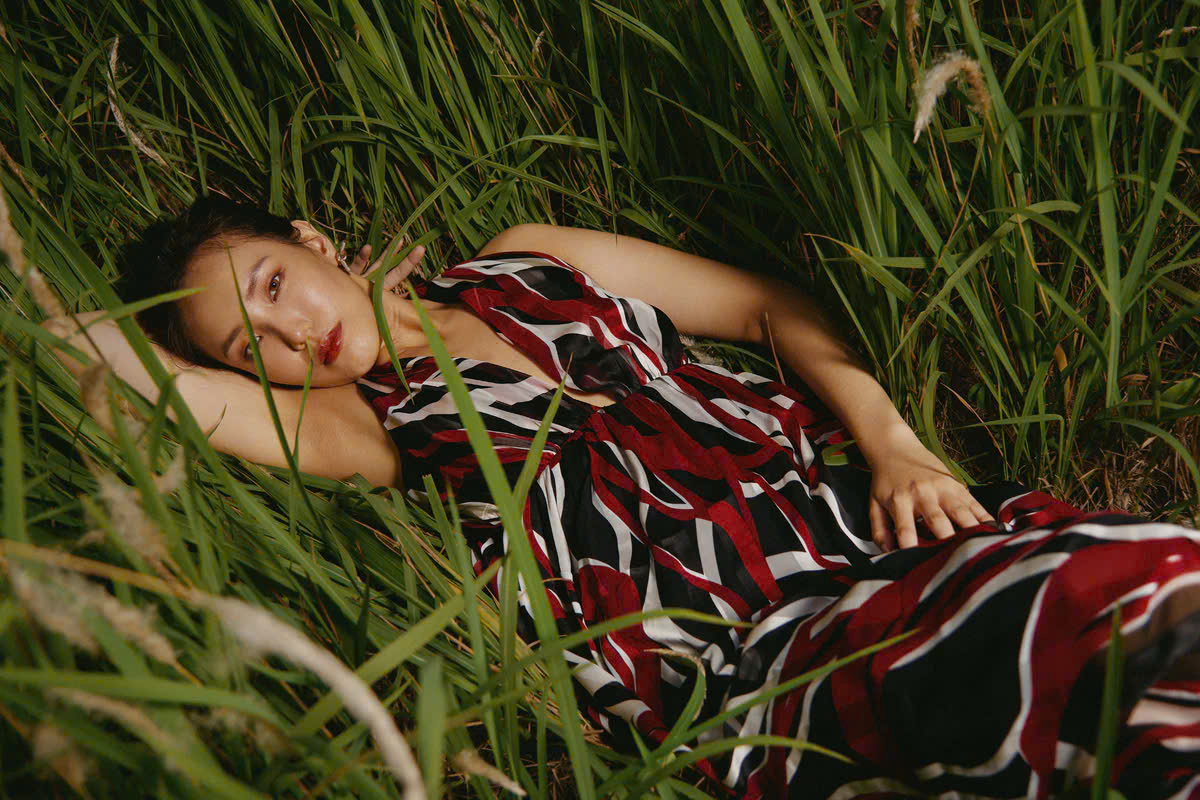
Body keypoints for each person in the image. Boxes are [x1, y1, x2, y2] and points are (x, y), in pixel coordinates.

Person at [44, 195, 1200, 799]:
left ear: (313, 238)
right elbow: (86, 348)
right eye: (249, 343)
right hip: (747, 634)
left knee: (1148, 578)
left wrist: (892, 439)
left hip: (860, 512)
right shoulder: (362, 424)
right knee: (1055, 649)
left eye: (274, 283)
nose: (293, 332)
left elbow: (761, 305)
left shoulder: (527, 258)